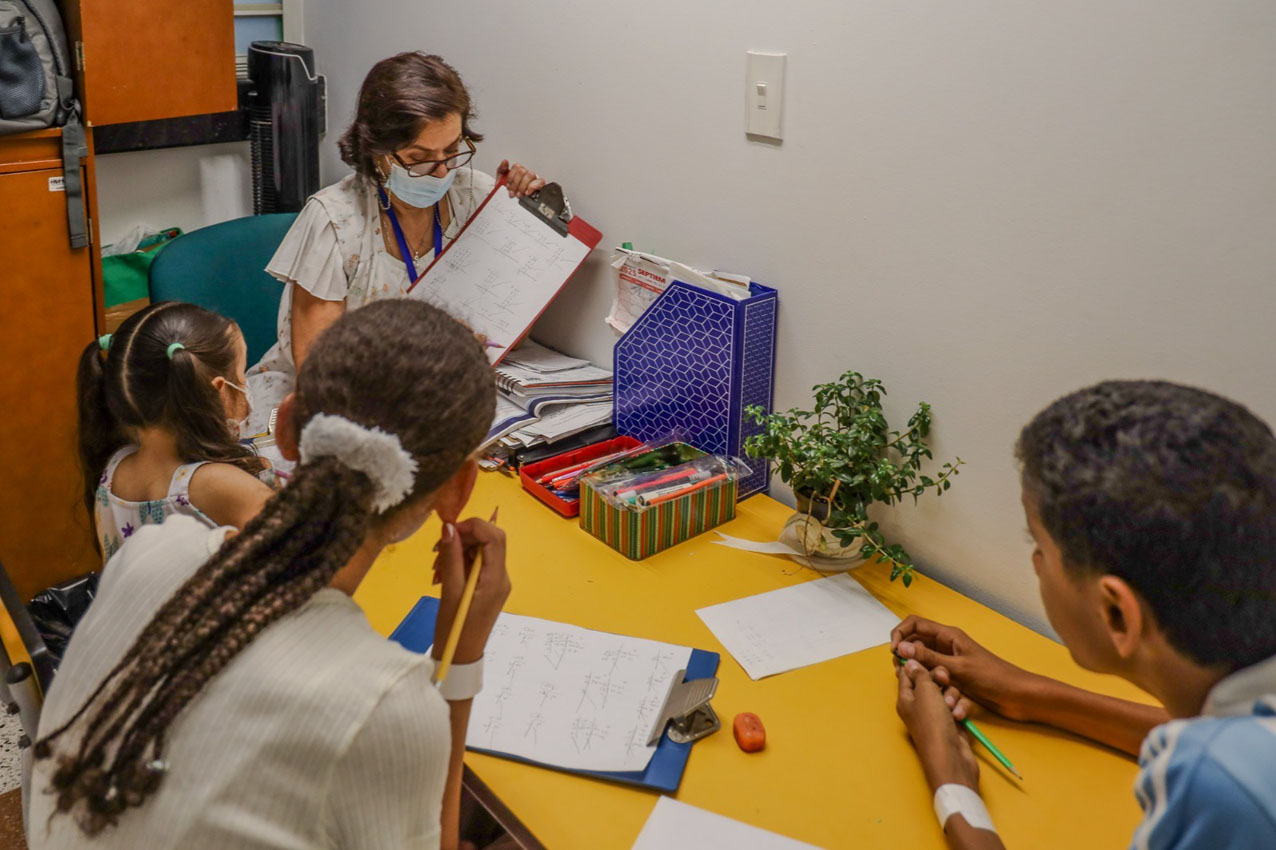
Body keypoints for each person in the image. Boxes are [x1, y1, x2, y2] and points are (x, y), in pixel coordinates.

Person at [32, 300, 509, 848]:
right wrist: (459, 656)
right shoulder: (386, 703)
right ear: (458, 490)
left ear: (284, 426)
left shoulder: (152, 555)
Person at [892, 380, 1276, 850]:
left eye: (1040, 547)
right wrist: (1030, 694)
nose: (1035, 563)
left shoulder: (1219, 786)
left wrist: (951, 781)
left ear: (1116, 614)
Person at [245, 52, 546, 434]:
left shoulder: (477, 199)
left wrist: (532, 223)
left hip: (441, 391)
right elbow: (321, 375)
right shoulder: (335, 221)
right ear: (378, 152)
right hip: (330, 402)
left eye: (452, 150)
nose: (440, 172)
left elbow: (511, 326)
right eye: (418, 159)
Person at [77, 301, 276, 562]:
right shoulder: (219, 484)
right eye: (240, 377)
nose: (245, 385)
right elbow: (303, 555)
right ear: (218, 390)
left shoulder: (114, 466)